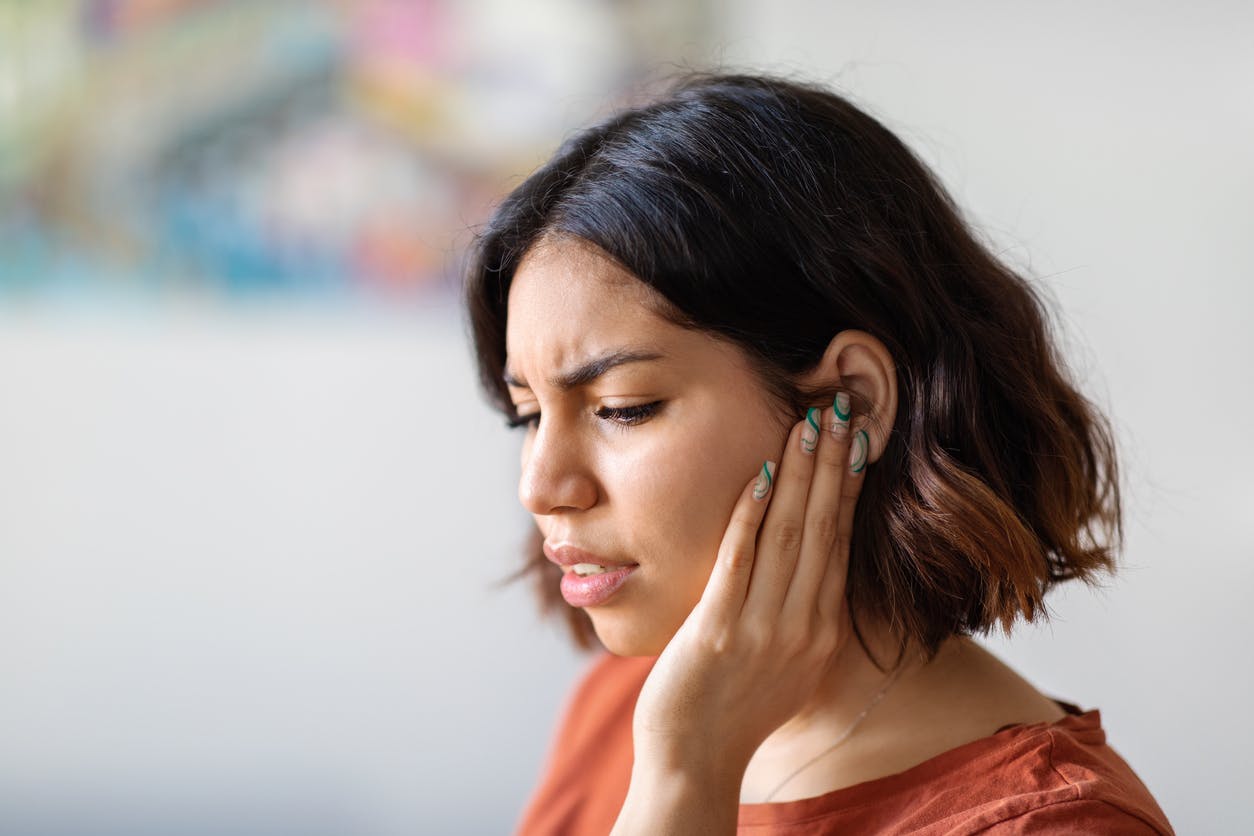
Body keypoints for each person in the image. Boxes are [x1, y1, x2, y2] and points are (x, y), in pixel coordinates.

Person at [463, 72, 1174, 834]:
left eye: (621, 408)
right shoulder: (633, 708)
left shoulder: (1052, 825)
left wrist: (685, 780)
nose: (540, 486)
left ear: (852, 404)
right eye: (529, 416)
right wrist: (683, 758)